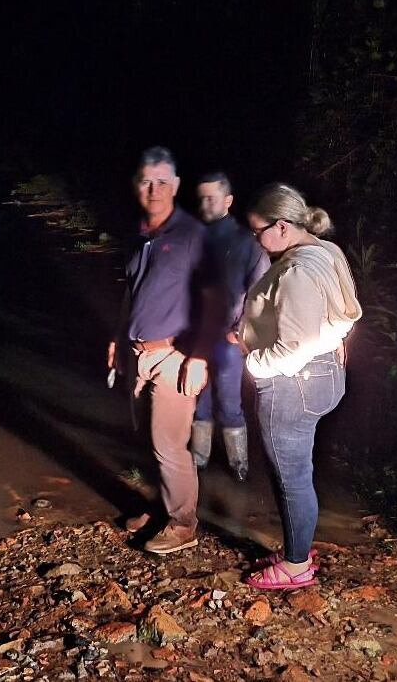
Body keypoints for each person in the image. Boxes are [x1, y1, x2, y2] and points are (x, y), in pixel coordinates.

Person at [238, 184, 360, 590]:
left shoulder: (296, 271)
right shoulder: (327, 252)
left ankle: (295, 565)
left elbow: (293, 347)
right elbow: (344, 312)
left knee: (291, 476)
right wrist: (335, 338)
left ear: (283, 226)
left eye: (259, 232)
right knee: (297, 472)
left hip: (294, 384)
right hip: (324, 374)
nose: (256, 240)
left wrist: (254, 364)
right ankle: (298, 547)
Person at [108, 146, 212, 555]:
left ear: (177, 186)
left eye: (162, 182)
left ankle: (184, 523)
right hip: (138, 352)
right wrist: (117, 338)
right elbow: (131, 294)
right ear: (137, 185)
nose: (153, 189)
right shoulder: (142, 237)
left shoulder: (192, 236)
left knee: (169, 442)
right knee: (150, 439)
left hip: (175, 355)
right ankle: (162, 507)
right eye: (146, 181)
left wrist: (200, 356)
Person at [190, 172, 270, 482]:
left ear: (228, 201)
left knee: (229, 401)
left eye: (211, 197)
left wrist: (239, 331)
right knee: (200, 398)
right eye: (201, 198)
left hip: (227, 339)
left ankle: (239, 463)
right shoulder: (195, 237)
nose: (205, 203)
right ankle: (199, 459)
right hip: (196, 336)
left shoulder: (246, 244)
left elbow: (260, 293)